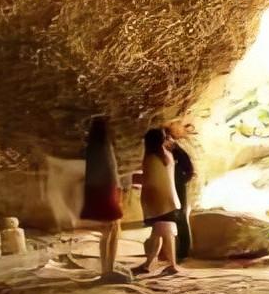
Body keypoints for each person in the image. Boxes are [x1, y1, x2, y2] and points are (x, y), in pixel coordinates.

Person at [133, 128, 182, 276]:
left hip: (158, 203)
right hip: (170, 201)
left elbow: (150, 181)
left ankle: (171, 265)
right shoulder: (167, 155)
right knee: (161, 233)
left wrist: (133, 179)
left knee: (162, 234)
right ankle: (150, 264)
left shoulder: (150, 158)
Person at [80, 116, 124, 280]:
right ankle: (107, 269)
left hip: (98, 191)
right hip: (107, 191)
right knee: (111, 230)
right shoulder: (103, 148)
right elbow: (111, 172)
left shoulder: (91, 148)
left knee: (109, 231)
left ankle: (107, 268)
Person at [165, 122, 196, 261]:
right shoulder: (167, 151)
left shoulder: (176, 150)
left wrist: (181, 181)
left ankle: (183, 250)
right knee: (172, 218)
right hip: (171, 186)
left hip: (177, 186)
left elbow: (189, 169)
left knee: (181, 217)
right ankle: (174, 250)